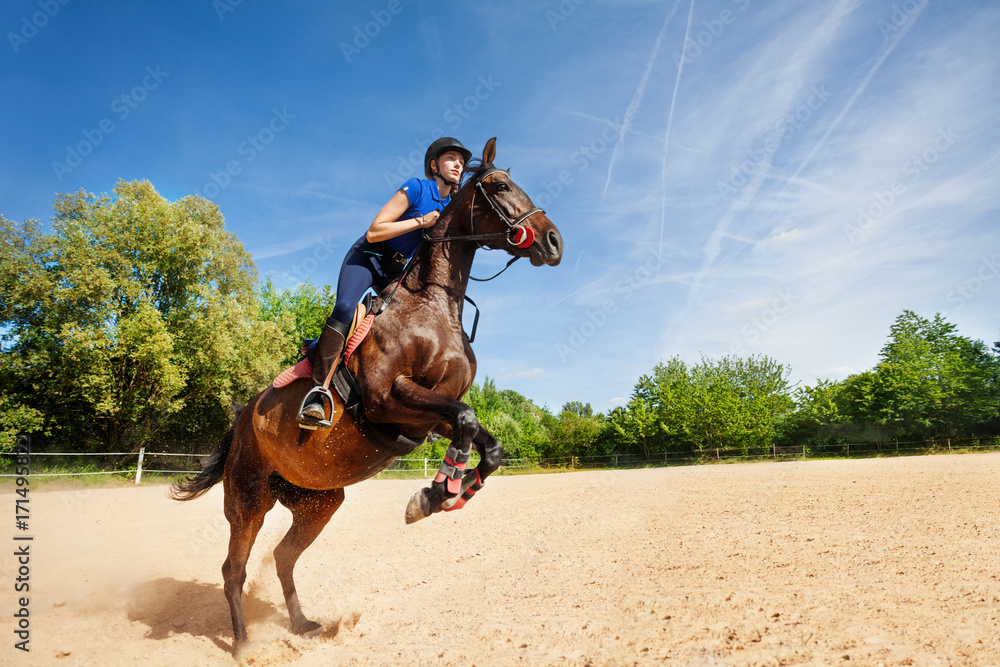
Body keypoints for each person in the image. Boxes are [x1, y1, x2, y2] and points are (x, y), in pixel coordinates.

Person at [297, 137, 473, 429]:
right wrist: (421, 222)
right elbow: (375, 230)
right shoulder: (417, 187)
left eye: (462, 161)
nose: (459, 164)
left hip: (396, 268)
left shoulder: (450, 204)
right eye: (451, 158)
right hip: (368, 256)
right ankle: (316, 393)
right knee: (343, 308)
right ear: (434, 165)